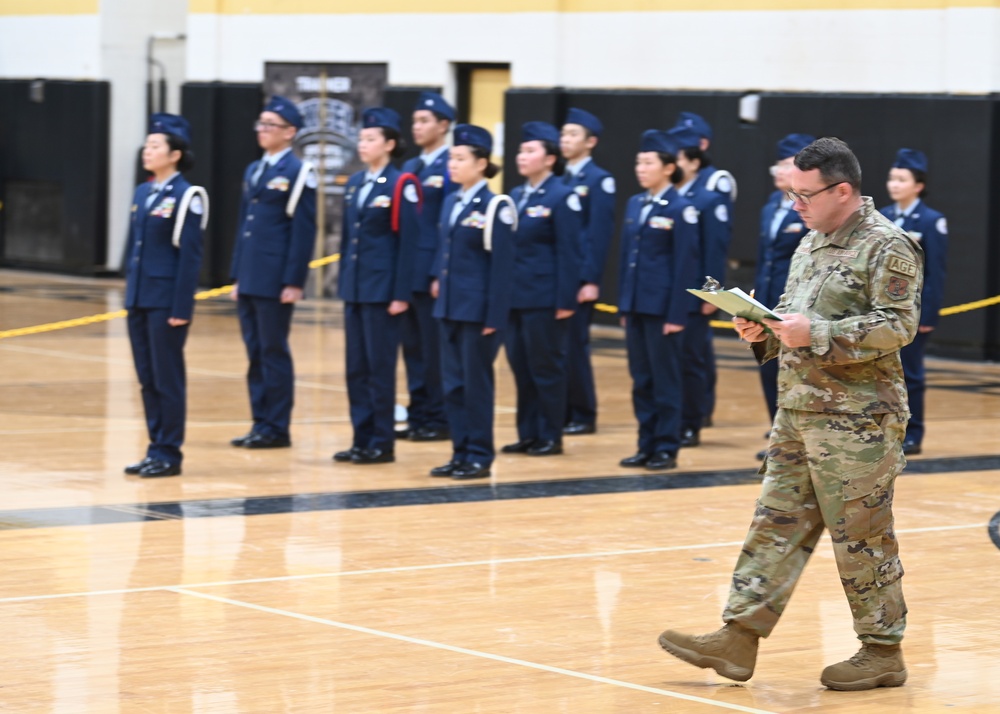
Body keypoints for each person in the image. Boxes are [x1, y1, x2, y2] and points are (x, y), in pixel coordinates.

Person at [658, 137, 923, 691]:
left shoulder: (887, 246)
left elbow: (898, 326)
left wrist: (816, 332)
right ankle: (738, 636)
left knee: (861, 536)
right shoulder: (810, 243)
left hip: (858, 422)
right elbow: (797, 326)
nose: (794, 204)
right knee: (775, 525)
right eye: (790, 193)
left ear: (843, 190)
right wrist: (765, 331)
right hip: (799, 411)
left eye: (804, 194)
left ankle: (882, 650)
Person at [229, 96, 317, 450]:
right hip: (251, 275)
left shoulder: (298, 173)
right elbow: (243, 226)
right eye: (261, 123)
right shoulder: (255, 169)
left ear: (290, 132)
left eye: (271, 125)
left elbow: (303, 230)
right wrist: (237, 274)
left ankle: (277, 426)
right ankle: (259, 421)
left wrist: (294, 280)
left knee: (273, 350)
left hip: (275, 277)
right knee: (254, 352)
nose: (263, 130)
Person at [333, 107, 420, 465]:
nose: (363, 144)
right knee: (356, 368)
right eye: (362, 138)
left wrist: (401, 294)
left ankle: (382, 441)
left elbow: (408, 244)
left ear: (389, 144)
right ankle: (361, 436)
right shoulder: (355, 184)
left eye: (371, 139)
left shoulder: (402, 184)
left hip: (383, 291)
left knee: (380, 368)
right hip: (356, 288)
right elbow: (347, 240)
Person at [428, 124, 515, 480]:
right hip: (450, 307)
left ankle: (479, 454)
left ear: (481, 164)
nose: (453, 164)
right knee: (452, 385)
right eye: (451, 157)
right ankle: (460, 452)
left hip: (478, 313)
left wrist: (495, 316)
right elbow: (444, 250)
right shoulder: (452, 200)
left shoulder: (497, 206)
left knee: (476, 386)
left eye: (460, 158)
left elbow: (503, 267)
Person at [123, 113, 206, 478]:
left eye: (156, 145)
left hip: (166, 302)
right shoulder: (143, 191)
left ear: (175, 154)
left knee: (167, 377)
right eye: (147, 144)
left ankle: (169, 451)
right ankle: (154, 446)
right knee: (147, 378)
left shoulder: (188, 196)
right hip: (140, 298)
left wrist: (181, 307)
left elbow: (190, 257)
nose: (147, 150)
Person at [617, 130, 699, 471]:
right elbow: (626, 258)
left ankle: (667, 446)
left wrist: (677, 312)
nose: (640, 168)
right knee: (642, 379)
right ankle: (645, 443)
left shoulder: (681, 208)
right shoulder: (636, 203)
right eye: (638, 161)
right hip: (637, 305)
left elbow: (685, 263)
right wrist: (624, 304)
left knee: (665, 380)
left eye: (648, 162)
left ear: (668, 168)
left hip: (663, 309)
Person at [502, 121, 583, 457]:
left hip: (545, 299)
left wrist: (565, 299)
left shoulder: (562, 196)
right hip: (515, 298)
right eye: (521, 150)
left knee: (545, 368)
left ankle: (550, 434)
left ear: (550, 159)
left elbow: (570, 252)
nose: (522, 156)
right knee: (521, 367)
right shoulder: (517, 195)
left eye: (530, 150)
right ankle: (528, 432)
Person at [879, 148, 948, 456]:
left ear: (918, 185)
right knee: (881, 373)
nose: (894, 184)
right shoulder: (882, 216)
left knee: (912, 374)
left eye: (902, 179)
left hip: (913, 312)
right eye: (892, 178)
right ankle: (885, 427)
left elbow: (936, 272)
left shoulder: (932, 220)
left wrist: (928, 315)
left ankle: (913, 431)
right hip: (883, 310)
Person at [668, 124, 732, 448]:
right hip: (667, 295)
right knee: (667, 362)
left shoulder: (707, 199)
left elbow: (714, 249)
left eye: (677, 157)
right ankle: (670, 420)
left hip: (695, 295)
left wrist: (712, 293)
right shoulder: (666, 198)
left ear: (693, 162)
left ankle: (692, 422)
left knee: (691, 359)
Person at [753, 133, 815, 458]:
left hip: (794, 306)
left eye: (787, 165)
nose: (779, 172)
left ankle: (797, 442)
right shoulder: (769, 208)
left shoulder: (809, 211)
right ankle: (777, 438)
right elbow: (764, 260)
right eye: (776, 166)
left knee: (792, 375)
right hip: (765, 303)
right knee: (767, 370)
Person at [397, 91, 455, 442]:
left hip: (431, 272)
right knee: (413, 349)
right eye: (415, 121)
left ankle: (439, 416)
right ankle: (418, 413)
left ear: (443, 125)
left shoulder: (451, 164)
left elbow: (447, 224)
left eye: (424, 121)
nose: (416, 127)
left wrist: (438, 272)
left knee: (434, 352)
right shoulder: (412, 167)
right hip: (408, 272)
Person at [559, 107, 616, 436]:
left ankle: (582, 412)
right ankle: (562, 409)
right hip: (559, 277)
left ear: (590, 142)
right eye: (563, 134)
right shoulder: (560, 178)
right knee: (557, 349)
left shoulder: (598, 180)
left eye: (573, 135)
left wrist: (590, 279)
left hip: (579, 278)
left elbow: (597, 234)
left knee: (574, 346)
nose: (565, 140)